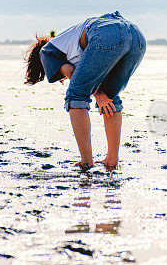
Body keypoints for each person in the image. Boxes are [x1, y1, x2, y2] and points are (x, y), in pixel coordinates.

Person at [24, 11, 145, 171]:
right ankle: (112, 160)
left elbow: (74, 76)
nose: (61, 80)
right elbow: (90, 79)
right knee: (110, 97)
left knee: (76, 95)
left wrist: (98, 94)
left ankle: (86, 161)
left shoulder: (46, 52)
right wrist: (101, 94)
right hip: (137, 37)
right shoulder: (69, 41)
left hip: (107, 34)